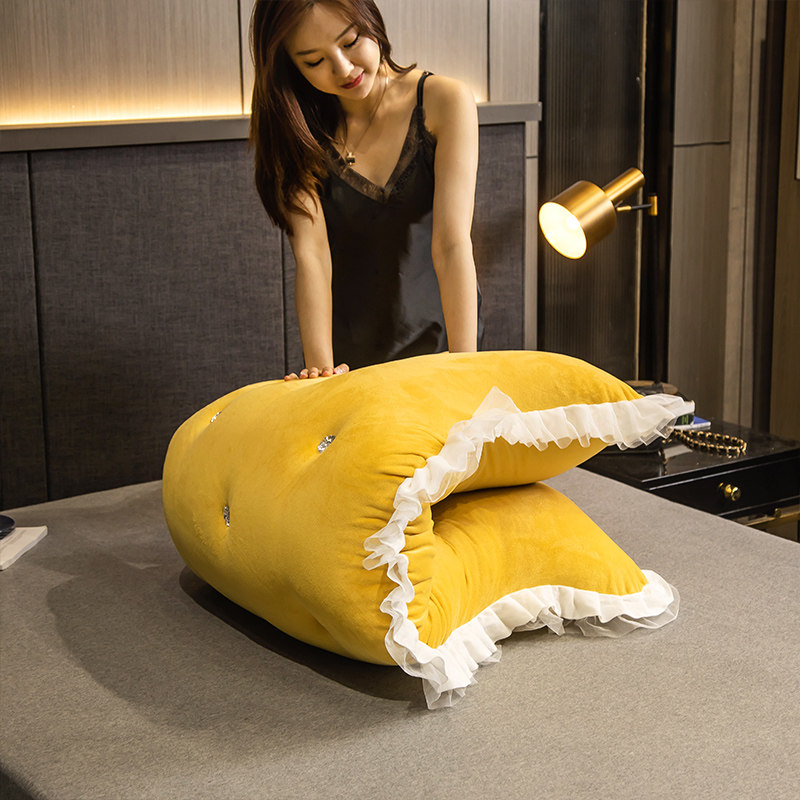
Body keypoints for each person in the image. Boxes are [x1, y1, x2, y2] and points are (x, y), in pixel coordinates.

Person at [249, 0, 482, 380]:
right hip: (350, 366)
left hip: (444, 347)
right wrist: (321, 374)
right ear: (290, 66)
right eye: (314, 61)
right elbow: (312, 257)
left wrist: (466, 369)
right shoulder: (297, 132)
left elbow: (451, 244)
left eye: (350, 41)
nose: (343, 68)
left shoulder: (445, 101)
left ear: (369, 18)